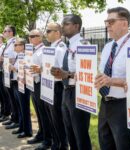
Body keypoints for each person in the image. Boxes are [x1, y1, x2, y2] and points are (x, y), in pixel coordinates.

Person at [94, 7, 130, 150]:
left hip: (123, 105)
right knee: (105, 142)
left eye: (111, 21)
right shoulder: (108, 46)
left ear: (124, 24)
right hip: (105, 102)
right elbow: (102, 72)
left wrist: (112, 81)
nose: (108, 25)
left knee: (122, 145)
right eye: (106, 22)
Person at [51, 14, 92, 150]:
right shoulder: (68, 45)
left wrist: (67, 74)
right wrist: (57, 71)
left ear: (76, 26)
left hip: (79, 93)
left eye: (66, 24)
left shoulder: (83, 44)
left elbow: (88, 73)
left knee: (80, 134)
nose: (63, 27)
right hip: (66, 91)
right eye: (62, 24)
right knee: (70, 131)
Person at [27, 29, 52, 149]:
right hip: (33, 83)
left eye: (33, 36)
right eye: (29, 36)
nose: (30, 38)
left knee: (43, 112)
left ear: (40, 37)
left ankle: (48, 139)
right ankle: (41, 133)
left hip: (41, 84)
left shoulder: (43, 50)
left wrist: (40, 69)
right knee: (38, 111)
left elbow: (47, 68)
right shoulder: (34, 49)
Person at [44, 22, 68, 150]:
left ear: (57, 33)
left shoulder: (60, 48)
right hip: (48, 85)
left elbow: (62, 71)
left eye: (49, 31)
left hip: (57, 87)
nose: (46, 33)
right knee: (52, 118)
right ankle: (56, 143)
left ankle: (62, 145)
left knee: (58, 119)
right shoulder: (52, 47)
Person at [10, 38, 32, 138]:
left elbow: (26, 70)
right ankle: (22, 127)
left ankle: (27, 130)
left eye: (16, 45)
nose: (14, 46)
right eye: (14, 45)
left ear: (22, 46)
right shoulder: (18, 55)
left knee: (24, 108)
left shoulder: (26, 56)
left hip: (23, 84)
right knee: (19, 107)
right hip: (16, 83)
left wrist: (14, 68)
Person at [1, 25, 20, 130]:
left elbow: (14, 59)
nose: (4, 33)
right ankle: (13, 117)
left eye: (6, 31)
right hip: (7, 73)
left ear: (11, 33)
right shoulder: (8, 43)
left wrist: (3, 58)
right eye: (4, 31)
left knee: (13, 98)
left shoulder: (13, 43)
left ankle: (16, 119)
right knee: (11, 98)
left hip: (12, 75)